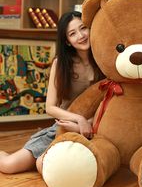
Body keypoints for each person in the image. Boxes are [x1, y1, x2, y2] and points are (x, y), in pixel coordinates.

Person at [0, 11, 104, 174]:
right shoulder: (61, 64)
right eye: (72, 33)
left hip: (98, 128)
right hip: (64, 125)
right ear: (68, 41)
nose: (81, 36)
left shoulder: (105, 60)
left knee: (46, 166)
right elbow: (50, 107)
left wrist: (88, 124)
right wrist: (79, 119)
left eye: (83, 28)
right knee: (9, 165)